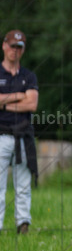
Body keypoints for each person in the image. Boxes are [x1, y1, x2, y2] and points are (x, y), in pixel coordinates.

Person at [0, 30, 38, 234]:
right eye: (13, 46)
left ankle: (23, 223)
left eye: (19, 47)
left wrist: (4, 102)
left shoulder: (29, 76)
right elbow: (24, 99)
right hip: (1, 136)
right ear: (4, 46)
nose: (15, 51)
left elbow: (32, 103)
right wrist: (18, 96)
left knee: (23, 184)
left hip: (22, 137)